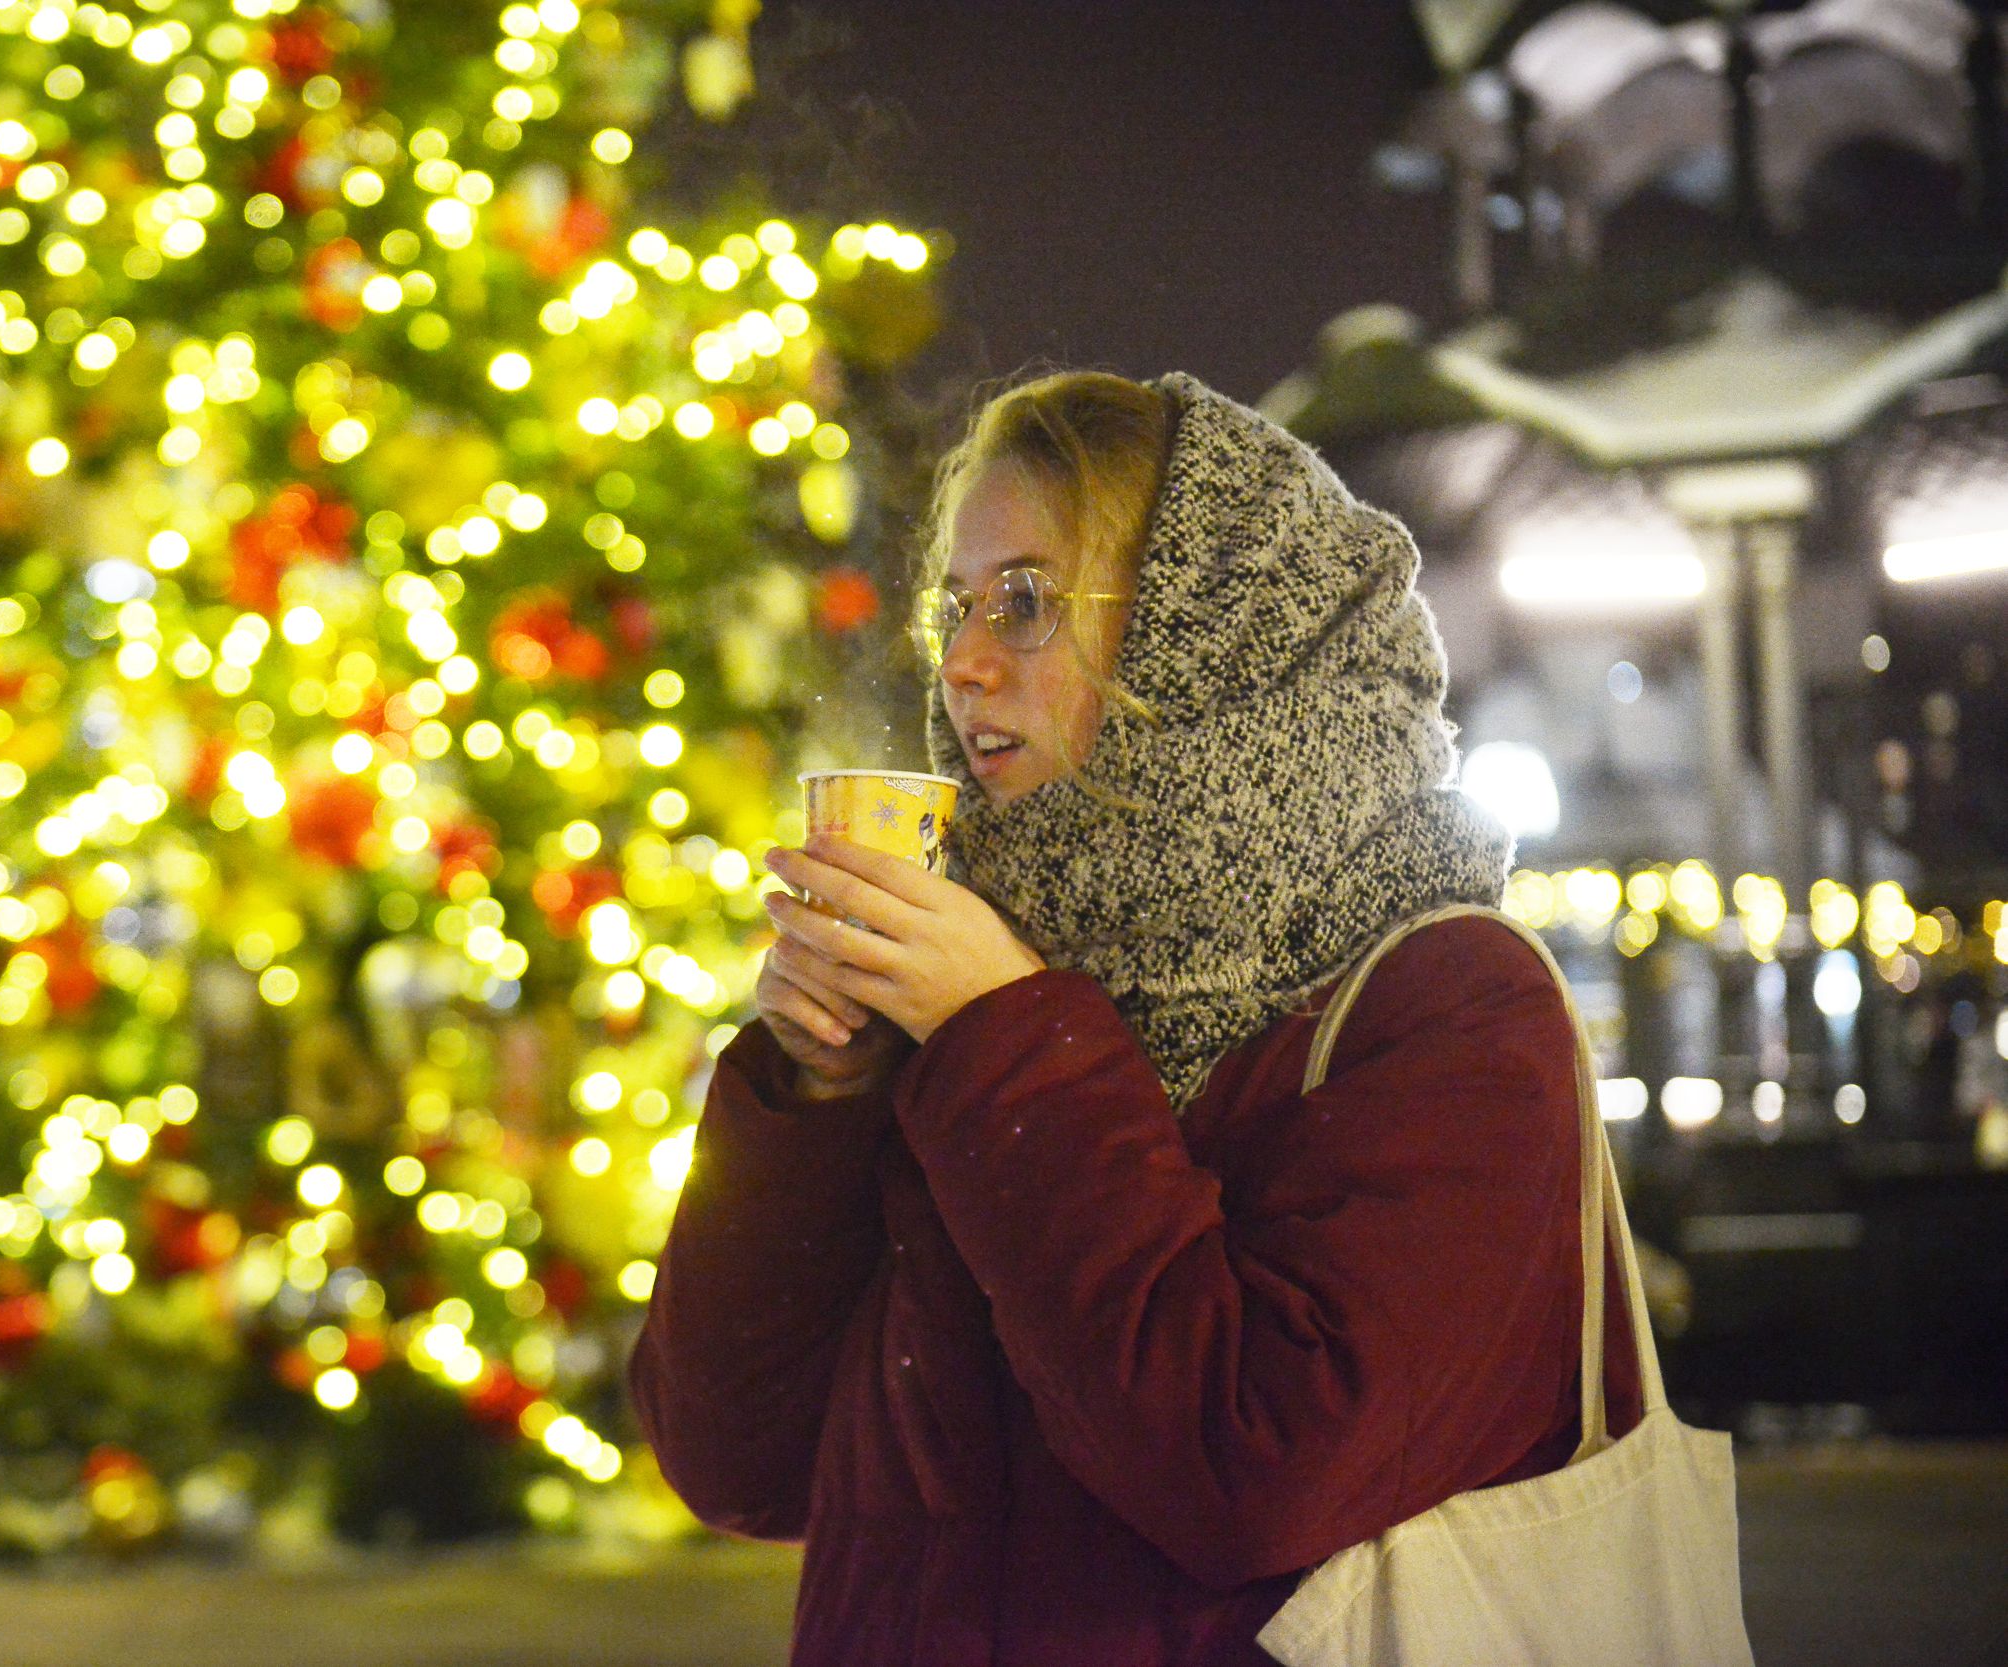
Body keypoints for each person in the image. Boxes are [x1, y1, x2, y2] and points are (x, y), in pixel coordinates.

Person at [627, 369, 1647, 1666]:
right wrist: (814, 1097)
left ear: (1205, 627)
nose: (963, 662)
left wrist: (1009, 1037)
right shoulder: (969, 983)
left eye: (1028, 604)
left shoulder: (1446, 1004)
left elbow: (1256, 1473)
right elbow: (741, 1464)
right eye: (955, 608)